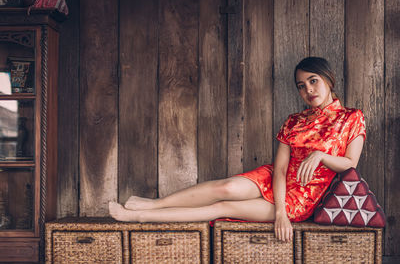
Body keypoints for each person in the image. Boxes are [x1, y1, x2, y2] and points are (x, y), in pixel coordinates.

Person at [109, 57, 366, 242]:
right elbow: (279, 169)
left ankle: (139, 217)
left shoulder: (351, 117)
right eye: (301, 85)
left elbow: (350, 163)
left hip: (301, 198)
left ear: (329, 80)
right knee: (226, 188)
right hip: (276, 180)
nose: (308, 90)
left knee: (223, 206)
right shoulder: (294, 121)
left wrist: (319, 157)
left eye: (313, 81)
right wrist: (278, 206)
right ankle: (155, 204)